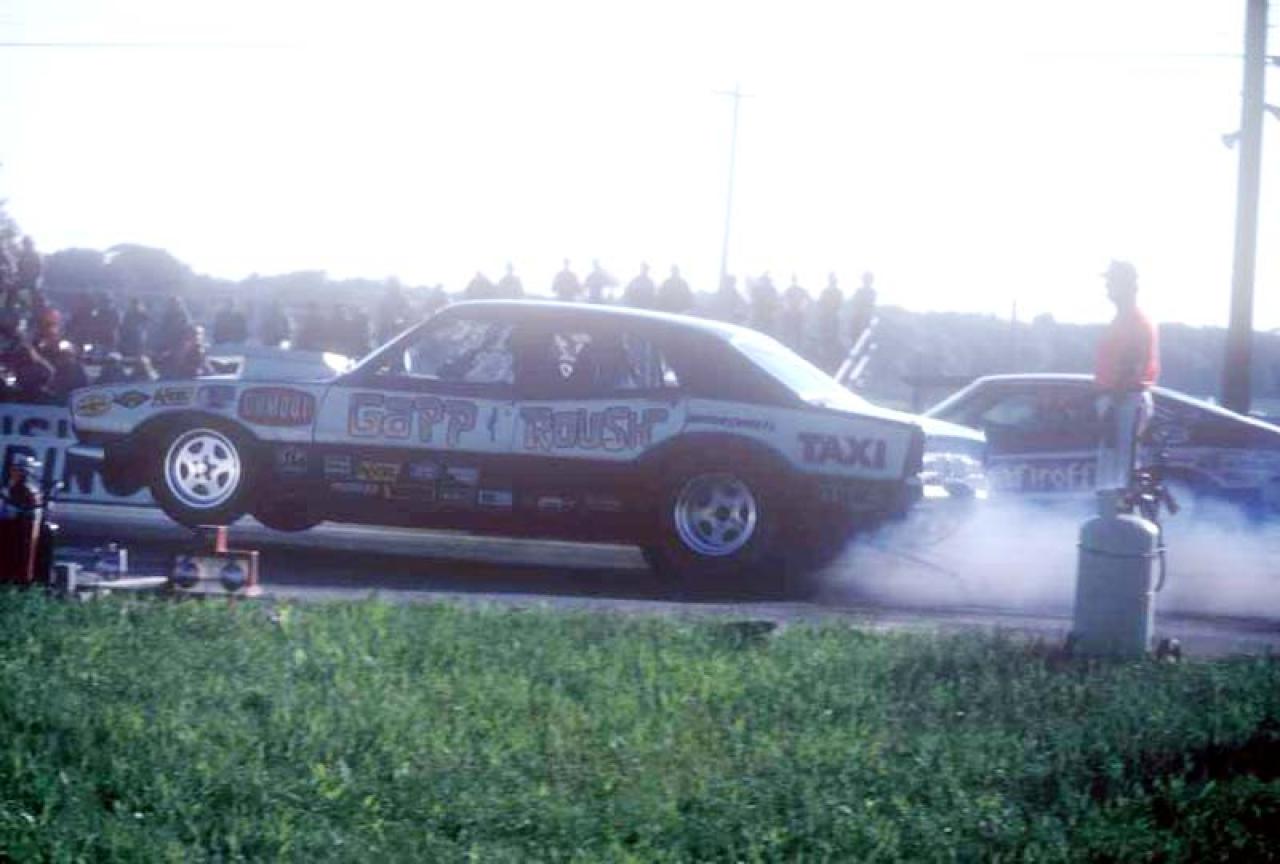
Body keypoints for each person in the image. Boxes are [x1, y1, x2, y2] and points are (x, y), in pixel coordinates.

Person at [1094, 260, 1159, 493]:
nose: (1108, 287)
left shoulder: (1134, 321)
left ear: (1127, 285)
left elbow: (1133, 364)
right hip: (1120, 398)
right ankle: (1113, 507)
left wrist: (1114, 400)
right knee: (1113, 466)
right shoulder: (1123, 319)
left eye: (1112, 281)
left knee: (1121, 470)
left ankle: (1121, 510)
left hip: (1126, 399)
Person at [779, 274, 809, 351]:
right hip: (791, 314)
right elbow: (784, 301)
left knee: (798, 333)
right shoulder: (790, 290)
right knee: (791, 332)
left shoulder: (798, 290)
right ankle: (790, 347)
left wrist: (801, 309)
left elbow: (805, 300)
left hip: (797, 314)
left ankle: (797, 348)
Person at [849, 271, 877, 346]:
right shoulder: (859, 291)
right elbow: (855, 303)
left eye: (868, 279)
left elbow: (870, 305)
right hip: (858, 318)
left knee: (865, 339)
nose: (867, 281)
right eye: (866, 279)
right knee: (855, 338)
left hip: (865, 318)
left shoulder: (872, 292)